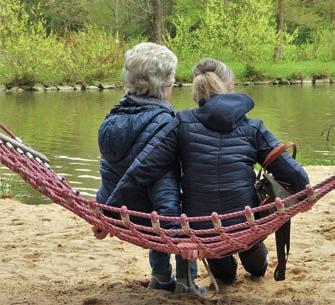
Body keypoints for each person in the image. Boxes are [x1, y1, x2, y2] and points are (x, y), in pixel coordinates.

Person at [106, 58, 310, 283]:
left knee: (225, 276)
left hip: (203, 230)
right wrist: (306, 192)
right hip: (246, 222)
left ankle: (229, 262)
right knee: (257, 265)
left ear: (197, 92)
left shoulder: (181, 122)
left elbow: (143, 168)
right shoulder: (254, 127)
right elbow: (293, 173)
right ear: (230, 87)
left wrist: (109, 211)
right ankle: (253, 257)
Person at [92, 42, 197, 292]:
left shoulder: (110, 120)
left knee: (155, 207)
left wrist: (104, 212)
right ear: (164, 86)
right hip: (155, 216)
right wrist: (176, 236)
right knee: (190, 204)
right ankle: (187, 281)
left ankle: (160, 276)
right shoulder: (165, 124)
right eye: (171, 81)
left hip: (124, 212)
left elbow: (111, 172)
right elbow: (165, 187)